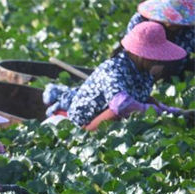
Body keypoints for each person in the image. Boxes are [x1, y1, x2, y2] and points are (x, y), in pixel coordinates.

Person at [45, 22, 194, 130]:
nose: (158, 60)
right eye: (155, 56)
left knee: (146, 103)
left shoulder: (144, 72)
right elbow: (121, 105)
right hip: (82, 126)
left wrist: (178, 113)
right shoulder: (114, 69)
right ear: (140, 54)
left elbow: (146, 101)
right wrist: (155, 112)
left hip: (112, 127)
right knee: (117, 110)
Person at [126, 0, 195, 77]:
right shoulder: (141, 21)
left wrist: (167, 67)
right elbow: (132, 53)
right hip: (139, 72)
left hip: (176, 73)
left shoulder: (190, 30)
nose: (176, 24)